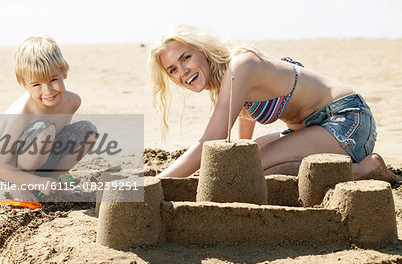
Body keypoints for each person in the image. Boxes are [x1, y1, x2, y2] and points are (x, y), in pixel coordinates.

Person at [149, 24, 400, 185]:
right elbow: (246, 116)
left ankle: (366, 170)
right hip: (313, 129)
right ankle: (350, 168)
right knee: (245, 163)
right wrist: (245, 148)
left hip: (347, 122)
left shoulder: (240, 66)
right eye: (173, 69)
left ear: (202, 50)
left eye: (186, 57)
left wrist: (156, 184)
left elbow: (209, 140)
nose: (183, 71)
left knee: (251, 173)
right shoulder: (226, 77)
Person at [0, 36, 99, 202]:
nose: (48, 90)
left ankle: (55, 181)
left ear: (64, 72)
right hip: (13, 169)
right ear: (24, 84)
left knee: (88, 131)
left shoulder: (72, 101)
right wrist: (35, 182)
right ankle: (21, 186)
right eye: (36, 85)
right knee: (45, 129)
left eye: (53, 79)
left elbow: (62, 140)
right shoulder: (20, 116)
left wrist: (53, 176)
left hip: (42, 158)